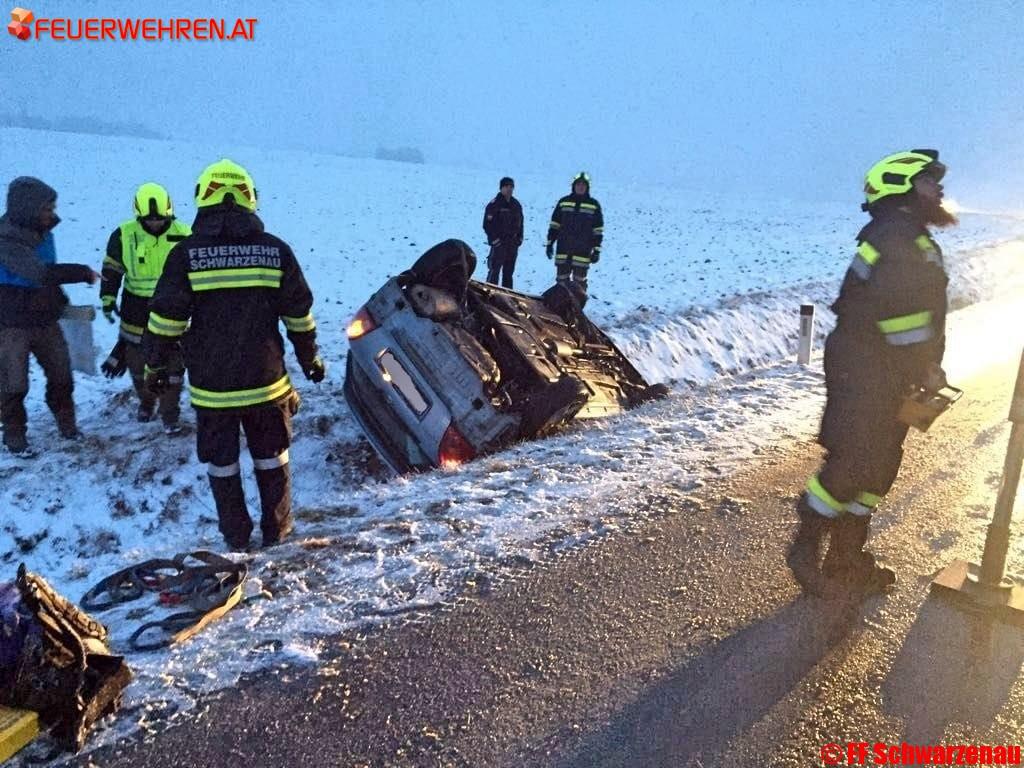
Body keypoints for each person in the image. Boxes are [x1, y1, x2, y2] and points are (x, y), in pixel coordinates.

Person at [787, 149, 955, 598]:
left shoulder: (907, 235)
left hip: (889, 372)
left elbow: (918, 315)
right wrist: (926, 368)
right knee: (855, 459)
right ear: (902, 186)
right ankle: (807, 541)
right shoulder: (896, 238)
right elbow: (900, 319)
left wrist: (921, 368)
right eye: (928, 180)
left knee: (880, 467)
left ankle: (846, 559)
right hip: (864, 370)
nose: (938, 187)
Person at [143, 159, 325, 549]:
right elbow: (299, 315)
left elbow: (165, 321)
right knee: (272, 458)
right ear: (250, 199)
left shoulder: (186, 255)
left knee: (221, 465)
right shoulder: (275, 251)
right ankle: (277, 531)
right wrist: (310, 359)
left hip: (212, 389)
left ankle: (236, 537)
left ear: (201, 199)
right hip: (267, 384)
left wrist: (155, 364)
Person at [0, 177, 99, 457]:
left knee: (62, 376)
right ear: (28, 208)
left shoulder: (45, 233)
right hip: (10, 324)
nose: (52, 214)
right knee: (13, 383)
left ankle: (67, 425)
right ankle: (14, 434)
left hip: (45, 320)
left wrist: (60, 301)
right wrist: (82, 272)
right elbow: (39, 272)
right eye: (47, 208)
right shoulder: (4, 239)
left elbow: (48, 278)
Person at [100, 182, 191, 433]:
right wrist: (107, 298)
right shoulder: (123, 234)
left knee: (173, 364)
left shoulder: (185, 233)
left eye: (159, 219)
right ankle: (147, 401)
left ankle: (170, 413)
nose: (154, 223)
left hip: (174, 308)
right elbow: (112, 269)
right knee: (138, 364)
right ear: (138, 214)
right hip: (135, 309)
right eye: (148, 219)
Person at [545, 171, 603, 292]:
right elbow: (555, 224)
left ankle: (576, 310)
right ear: (573, 186)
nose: (580, 187)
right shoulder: (563, 202)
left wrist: (596, 250)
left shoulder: (593, 205)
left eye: (583, 185)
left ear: (587, 187)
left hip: (582, 252)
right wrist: (550, 243)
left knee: (579, 286)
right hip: (563, 250)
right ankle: (560, 310)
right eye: (578, 184)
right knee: (561, 284)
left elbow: (598, 230)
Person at [482, 176, 524, 289]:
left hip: (512, 245)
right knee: (494, 272)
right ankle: (489, 295)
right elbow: (487, 225)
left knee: (508, 274)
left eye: (511, 187)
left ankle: (507, 298)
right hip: (499, 244)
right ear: (501, 188)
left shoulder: (516, 205)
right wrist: (495, 241)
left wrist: (519, 239)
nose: (509, 189)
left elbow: (521, 223)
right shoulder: (494, 204)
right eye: (506, 186)